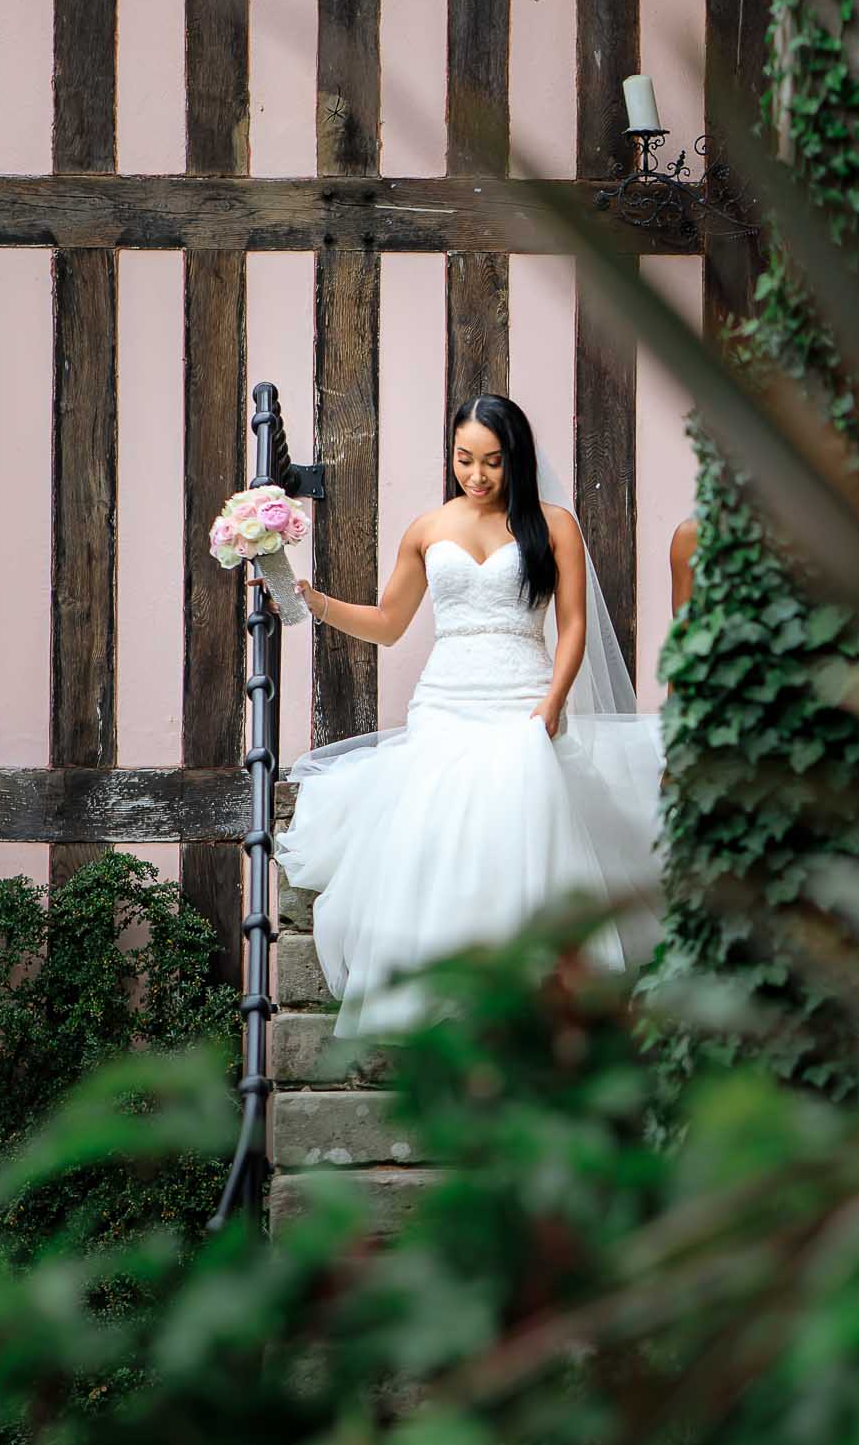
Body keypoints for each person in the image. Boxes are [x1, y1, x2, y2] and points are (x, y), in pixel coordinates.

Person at [274, 394, 664, 1035]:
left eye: (492, 462)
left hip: (524, 698)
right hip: (447, 699)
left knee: (524, 810)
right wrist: (311, 599)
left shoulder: (554, 525)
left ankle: (539, 990)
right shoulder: (429, 528)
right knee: (441, 821)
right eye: (464, 460)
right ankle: (446, 988)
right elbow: (389, 623)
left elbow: (571, 629)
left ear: (516, 459)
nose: (477, 476)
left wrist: (552, 702)